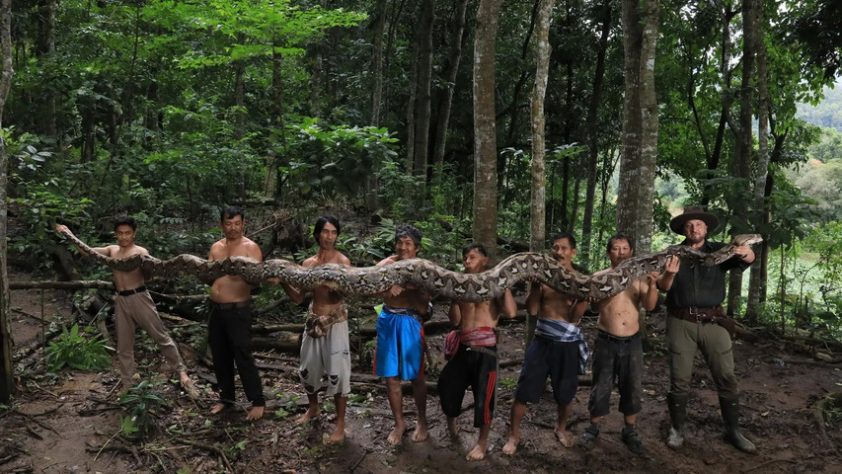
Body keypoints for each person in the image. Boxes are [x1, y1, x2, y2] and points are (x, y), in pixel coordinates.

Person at [54, 217, 197, 398]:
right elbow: (86, 251)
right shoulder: (111, 250)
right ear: (116, 234)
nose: (124, 237)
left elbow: (150, 274)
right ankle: (128, 384)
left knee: (160, 336)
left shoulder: (141, 252)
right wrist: (69, 234)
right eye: (120, 233)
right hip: (121, 300)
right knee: (124, 346)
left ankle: (182, 373)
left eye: (127, 233)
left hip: (139, 297)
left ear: (134, 234)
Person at [657, 206, 757, 453]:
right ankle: (677, 429)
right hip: (681, 321)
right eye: (689, 225)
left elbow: (748, 260)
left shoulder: (721, 250)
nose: (694, 228)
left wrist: (746, 251)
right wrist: (669, 274)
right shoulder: (672, 253)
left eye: (699, 224)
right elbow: (663, 287)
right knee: (679, 379)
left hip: (714, 321)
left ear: (706, 228)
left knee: (727, 376)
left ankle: (733, 430)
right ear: (684, 229)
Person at [503, 232, 589, 455]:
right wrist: (535, 288)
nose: (558, 252)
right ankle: (514, 436)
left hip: (567, 344)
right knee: (524, 390)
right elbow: (532, 311)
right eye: (555, 248)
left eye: (563, 248)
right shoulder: (543, 277)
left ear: (573, 252)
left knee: (566, 393)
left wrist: (582, 300)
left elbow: (574, 319)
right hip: (542, 341)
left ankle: (560, 428)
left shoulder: (581, 281)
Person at [580, 234, 659, 454]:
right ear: (609, 253)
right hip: (606, 340)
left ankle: (630, 430)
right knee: (601, 385)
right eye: (616, 248)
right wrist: (610, 286)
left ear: (631, 252)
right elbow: (594, 308)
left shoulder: (640, 276)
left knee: (632, 386)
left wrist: (653, 284)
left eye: (625, 249)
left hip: (632, 341)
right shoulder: (599, 276)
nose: (621, 253)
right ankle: (593, 428)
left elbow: (650, 306)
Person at [277, 215, 352, 444]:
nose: (329, 237)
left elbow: (344, 296)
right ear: (318, 234)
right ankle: (313, 407)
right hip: (313, 320)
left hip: (335, 322)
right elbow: (299, 298)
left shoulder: (343, 261)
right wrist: (282, 281)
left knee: (338, 373)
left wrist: (334, 289)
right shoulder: (308, 264)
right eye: (325, 232)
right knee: (307, 368)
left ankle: (340, 425)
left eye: (333, 232)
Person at [438, 244, 516, 461]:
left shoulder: (495, 284)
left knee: (485, 397)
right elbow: (455, 321)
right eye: (465, 257)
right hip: (463, 347)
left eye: (472, 257)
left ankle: (482, 444)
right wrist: (454, 298)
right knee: (447, 385)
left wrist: (505, 285)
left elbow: (511, 312)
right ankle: (452, 425)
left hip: (486, 351)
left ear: (485, 260)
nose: (467, 261)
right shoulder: (460, 284)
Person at [207, 206, 265, 420]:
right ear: (222, 224)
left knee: (243, 355)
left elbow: (257, 282)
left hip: (238, 310)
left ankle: (257, 401)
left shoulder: (251, 248)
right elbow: (208, 276)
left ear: (243, 224)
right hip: (215, 309)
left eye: (237, 223)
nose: (233, 228)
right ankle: (226, 399)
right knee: (220, 355)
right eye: (229, 223)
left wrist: (242, 271)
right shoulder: (216, 247)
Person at [374, 225, 431, 445]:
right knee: (391, 377)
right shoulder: (386, 265)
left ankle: (422, 421)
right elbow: (369, 287)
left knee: (417, 376)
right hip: (388, 319)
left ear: (417, 247)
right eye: (399, 242)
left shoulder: (424, 268)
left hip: (411, 321)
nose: (403, 247)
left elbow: (424, 306)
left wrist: (408, 288)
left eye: (408, 243)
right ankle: (399, 423)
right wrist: (386, 289)